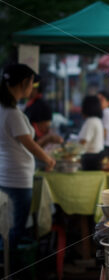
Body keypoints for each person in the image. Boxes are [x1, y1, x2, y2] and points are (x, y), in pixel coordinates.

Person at [0, 63, 55, 249]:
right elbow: (29, 144)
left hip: (7, 175)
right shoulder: (12, 113)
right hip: (17, 179)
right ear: (24, 83)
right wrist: (48, 159)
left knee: (7, 228)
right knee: (15, 229)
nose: (33, 88)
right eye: (32, 83)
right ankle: (7, 269)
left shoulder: (5, 110)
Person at [24, 80, 63, 147]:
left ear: (35, 89)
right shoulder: (34, 105)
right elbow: (32, 147)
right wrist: (47, 138)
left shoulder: (37, 106)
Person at [79, 95, 104, 170]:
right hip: (97, 157)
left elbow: (83, 141)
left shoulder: (90, 121)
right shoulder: (97, 120)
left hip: (89, 159)